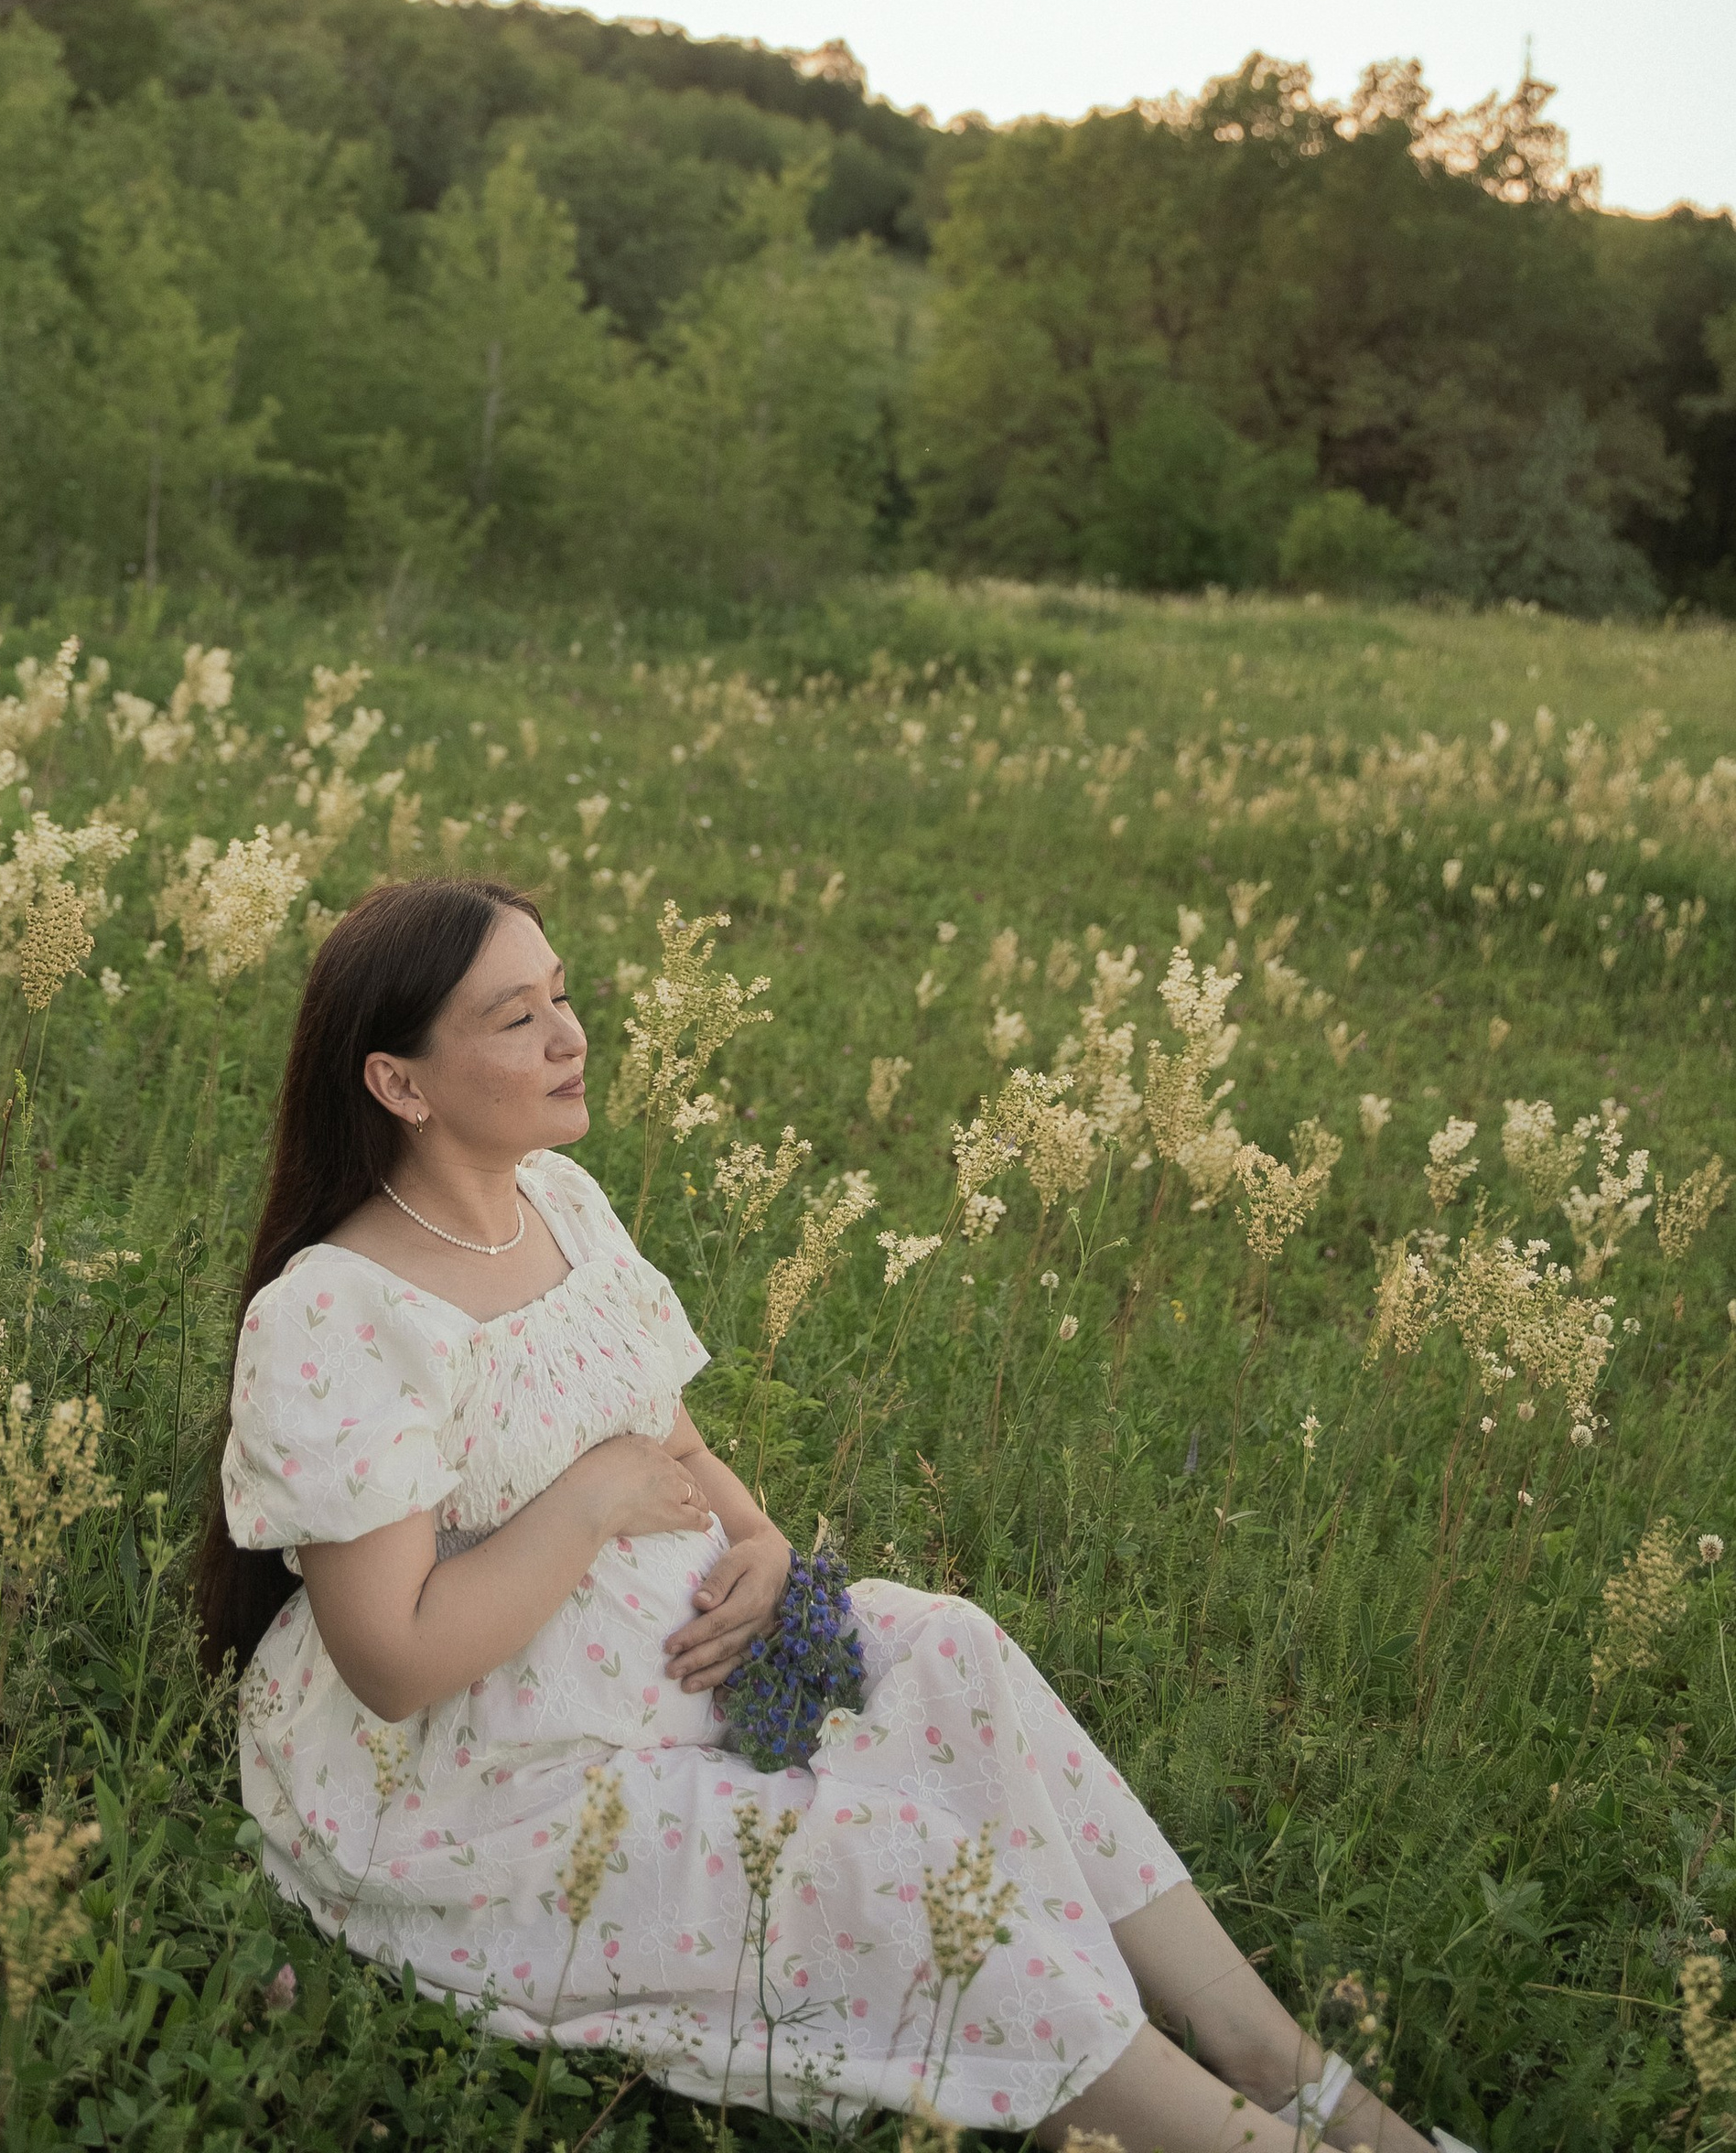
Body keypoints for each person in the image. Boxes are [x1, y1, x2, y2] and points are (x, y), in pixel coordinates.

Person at [197, 877, 1465, 2151]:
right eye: (516, 1017)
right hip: (499, 1779)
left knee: (953, 1651)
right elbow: (395, 1664)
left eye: (563, 996)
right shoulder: (344, 1311)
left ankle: (1275, 2055)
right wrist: (587, 1504)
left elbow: (673, 1438)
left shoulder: (560, 1208)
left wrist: (756, 1544)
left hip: (691, 1666)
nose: (571, 1035)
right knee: (898, 1872)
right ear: (400, 1084)